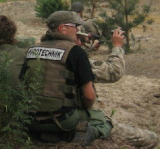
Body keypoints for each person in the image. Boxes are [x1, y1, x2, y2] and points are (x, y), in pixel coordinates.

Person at [21, 10, 112, 145]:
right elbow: (89, 96)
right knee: (101, 119)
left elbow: (22, 84)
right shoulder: (75, 52)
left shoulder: (31, 50)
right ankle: (84, 135)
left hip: (30, 120)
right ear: (62, 28)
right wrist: (84, 109)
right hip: (62, 121)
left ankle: (43, 135)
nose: (77, 30)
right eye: (74, 26)